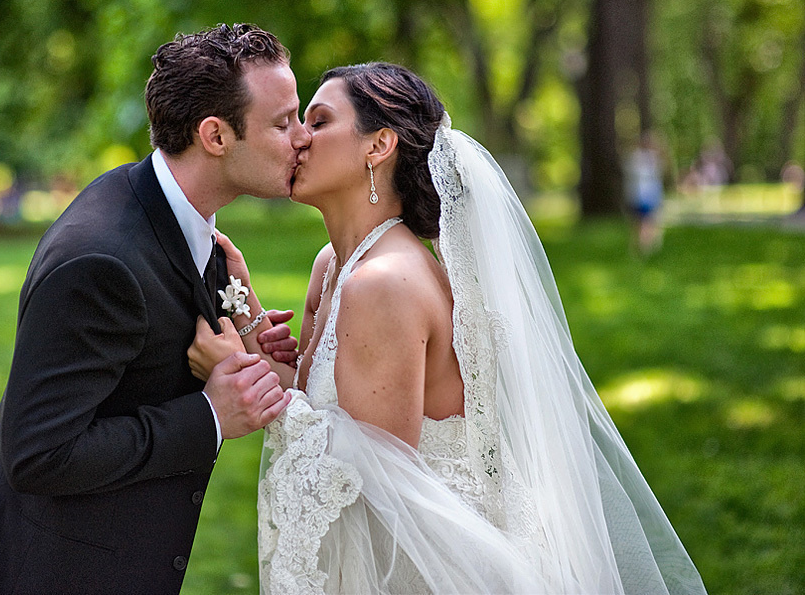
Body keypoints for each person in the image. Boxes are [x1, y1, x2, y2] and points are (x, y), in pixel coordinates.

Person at [189, 63, 707, 593]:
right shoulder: (335, 264)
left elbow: (371, 476)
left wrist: (229, 370)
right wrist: (244, 304)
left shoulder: (384, 282)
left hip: (427, 568)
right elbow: (317, 404)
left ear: (378, 145)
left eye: (319, 122)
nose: (298, 137)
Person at [0, 24, 306, 594]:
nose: (301, 138)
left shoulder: (176, 213)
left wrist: (248, 318)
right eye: (283, 123)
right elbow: (39, 453)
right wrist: (209, 418)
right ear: (215, 135)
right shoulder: (101, 261)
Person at [624, 132, 665, 256]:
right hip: (642, 195)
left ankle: (644, 247)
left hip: (648, 195)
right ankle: (643, 248)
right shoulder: (637, 158)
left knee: (646, 222)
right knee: (643, 222)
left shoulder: (651, 158)